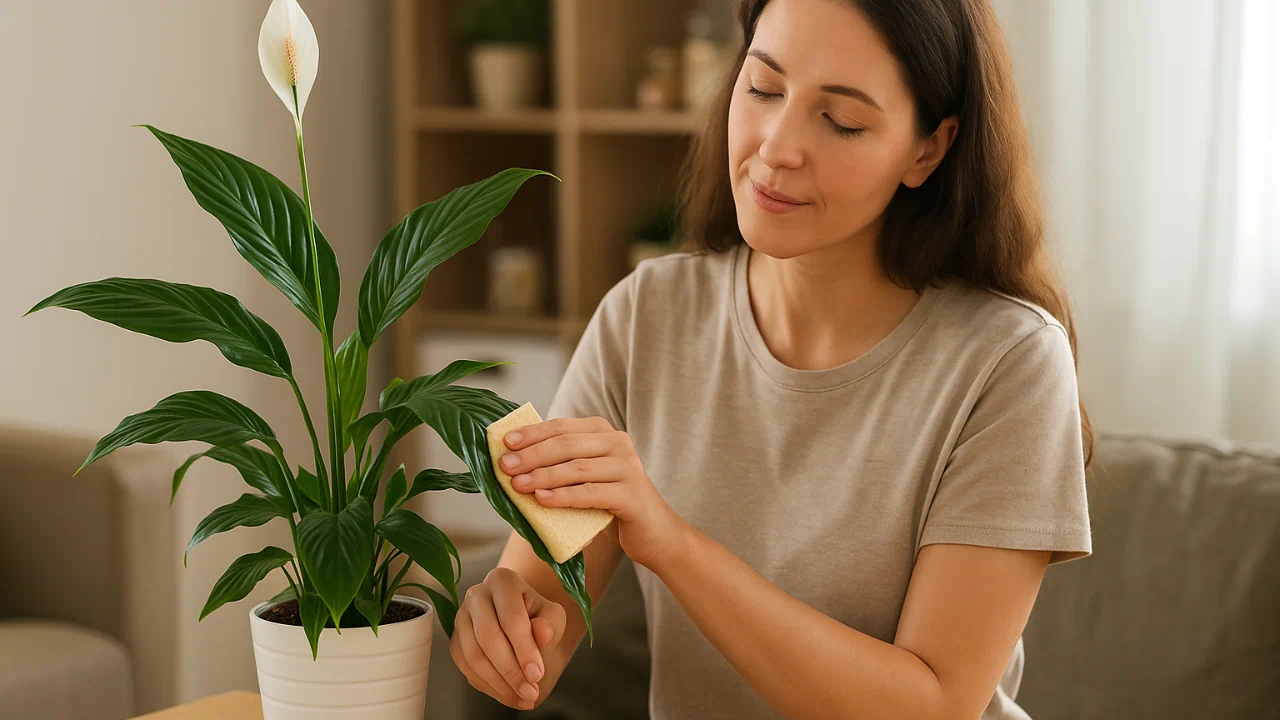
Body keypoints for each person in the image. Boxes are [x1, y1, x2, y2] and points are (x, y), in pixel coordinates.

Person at [448, 0, 1093, 717]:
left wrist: (672, 544)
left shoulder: (1009, 362)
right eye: (762, 89)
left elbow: (934, 704)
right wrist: (506, 633)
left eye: (841, 120)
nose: (777, 146)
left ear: (928, 149)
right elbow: (544, 618)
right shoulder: (646, 316)